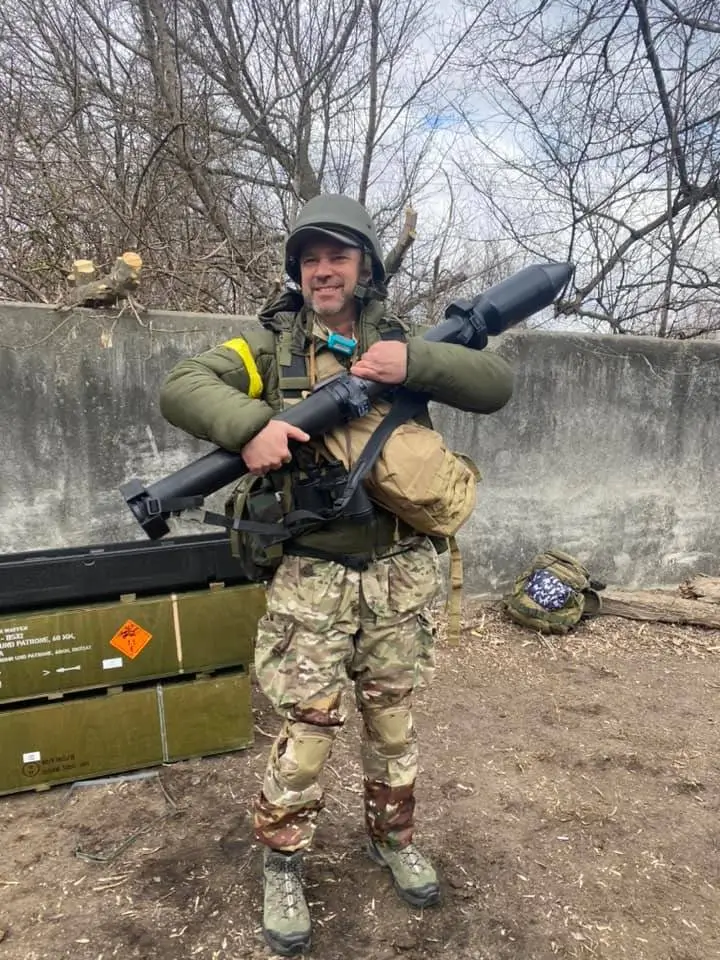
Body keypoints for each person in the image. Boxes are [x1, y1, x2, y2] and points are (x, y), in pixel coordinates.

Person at [159, 194, 514, 957]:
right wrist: (250, 425)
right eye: (311, 258)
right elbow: (183, 385)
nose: (324, 270)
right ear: (298, 270)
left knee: (392, 720)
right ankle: (283, 860)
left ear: (364, 266)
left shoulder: (401, 340)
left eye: (338, 256)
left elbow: (493, 385)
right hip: (313, 576)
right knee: (308, 730)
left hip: (399, 572)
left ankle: (393, 838)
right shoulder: (268, 347)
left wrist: (415, 361)